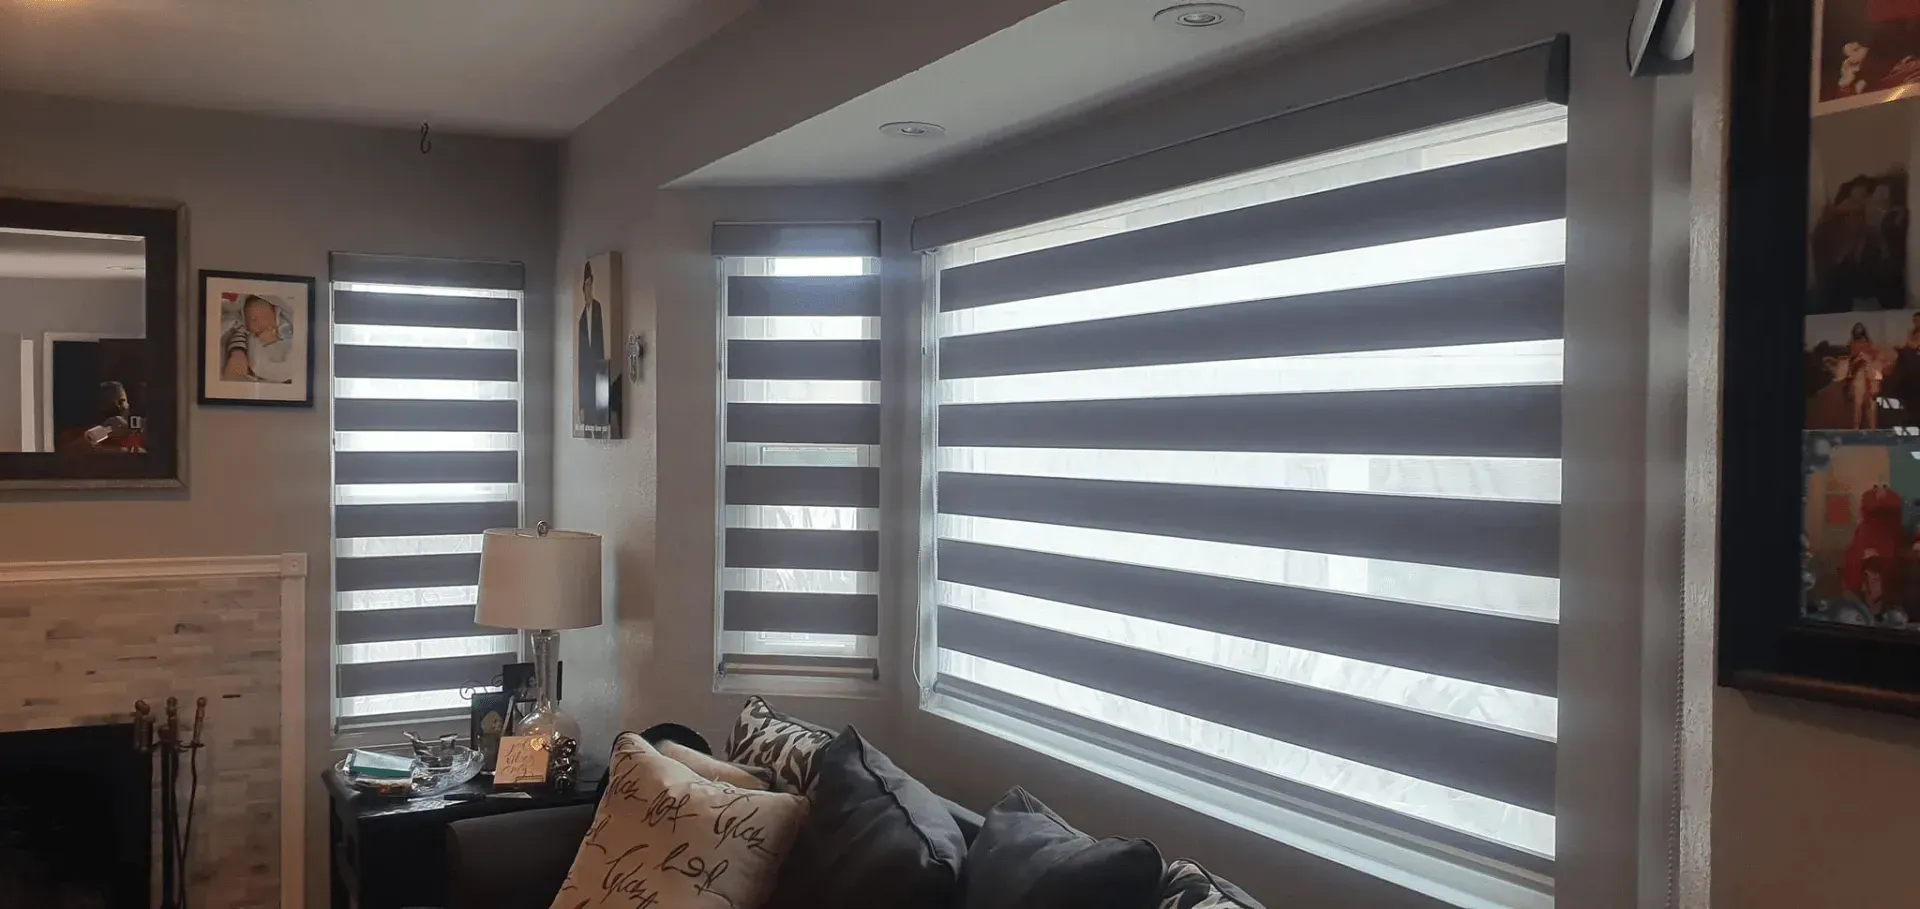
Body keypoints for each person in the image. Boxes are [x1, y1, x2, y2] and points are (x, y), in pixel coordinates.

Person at [222, 294, 296, 383]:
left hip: (285, 363)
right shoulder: (252, 337)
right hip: (263, 373)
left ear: (275, 313)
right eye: (249, 321)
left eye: (255, 319)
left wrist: (276, 336)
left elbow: (291, 336)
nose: (253, 325)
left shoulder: (282, 326)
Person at [57, 381, 144, 454]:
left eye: (122, 401)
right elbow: (64, 455)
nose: (117, 407)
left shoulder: (136, 437)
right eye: (108, 403)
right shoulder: (75, 435)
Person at [575, 262, 608, 433]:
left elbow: (600, 346)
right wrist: (581, 403)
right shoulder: (581, 319)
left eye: (590, 284)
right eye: (585, 285)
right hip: (587, 380)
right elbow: (580, 363)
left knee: (600, 422)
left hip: (599, 377)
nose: (588, 289)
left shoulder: (597, 309)